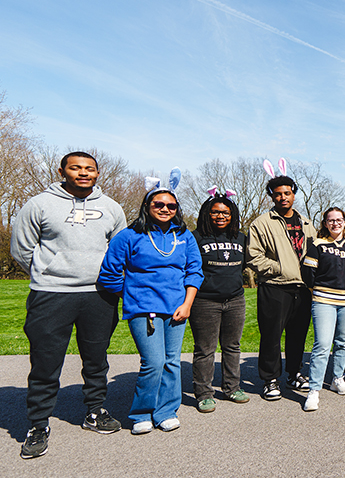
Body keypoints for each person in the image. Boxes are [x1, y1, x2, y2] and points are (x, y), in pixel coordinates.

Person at [11, 151, 127, 459]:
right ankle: (37, 424)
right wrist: (47, 272)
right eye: (76, 168)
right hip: (51, 294)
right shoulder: (39, 204)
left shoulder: (111, 208)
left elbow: (119, 251)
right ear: (62, 170)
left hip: (98, 295)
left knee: (96, 358)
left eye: (89, 168)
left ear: (98, 173)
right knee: (46, 362)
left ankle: (95, 411)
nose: (83, 173)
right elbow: (21, 249)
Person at [98, 175, 203, 435]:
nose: (165, 209)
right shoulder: (129, 236)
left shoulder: (184, 236)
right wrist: (134, 296)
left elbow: (195, 271)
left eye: (171, 206)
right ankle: (141, 413)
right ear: (147, 206)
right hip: (144, 311)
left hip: (178, 309)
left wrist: (188, 304)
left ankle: (166, 411)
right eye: (159, 204)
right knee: (153, 362)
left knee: (172, 362)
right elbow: (109, 275)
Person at [246, 173, 317, 401]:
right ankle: (270, 380)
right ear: (272, 197)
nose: (283, 197)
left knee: (297, 335)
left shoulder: (306, 224)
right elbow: (253, 256)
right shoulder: (262, 223)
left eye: (287, 193)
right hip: (275, 287)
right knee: (271, 335)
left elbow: (316, 253)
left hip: (302, 289)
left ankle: (294, 373)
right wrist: (278, 267)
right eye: (277, 194)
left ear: (294, 194)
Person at [189, 191, 249, 413]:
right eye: (215, 212)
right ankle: (204, 393)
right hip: (205, 302)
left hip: (235, 300)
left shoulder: (240, 237)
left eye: (225, 212)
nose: (220, 216)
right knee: (205, 349)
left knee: (232, 346)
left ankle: (232, 387)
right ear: (207, 214)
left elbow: (243, 266)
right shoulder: (196, 237)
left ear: (232, 215)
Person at [301, 207, 345, 411]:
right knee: (322, 344)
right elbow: (308, 274)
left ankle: (338, 377)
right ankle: (314, 389)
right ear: (325, 223)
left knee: (343, 342)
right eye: (331, 220)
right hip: (324, 300)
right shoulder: (317, 245)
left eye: (339, 220)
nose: (335, 223)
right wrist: (320, 290)